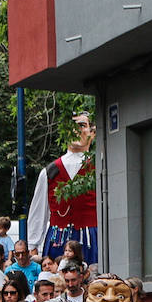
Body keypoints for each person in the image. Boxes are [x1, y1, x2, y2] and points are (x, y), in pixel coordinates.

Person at [28, 112, 98, 265]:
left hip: (90, 239)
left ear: (92, 133)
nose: (76, 130)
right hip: (57, 240)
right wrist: (33, 246)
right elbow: (38, 211)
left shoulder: (99, 167)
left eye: (82, 125)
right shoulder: (50, 172)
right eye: (71, 127)